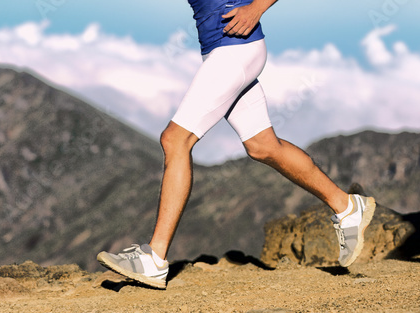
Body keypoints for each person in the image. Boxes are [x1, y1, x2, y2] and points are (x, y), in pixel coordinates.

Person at [97, 0, 375, 289]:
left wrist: (257, 8)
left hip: (235, 50)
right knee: (262, 145)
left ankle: (154, 258)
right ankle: (346, 206)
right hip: (223, 52)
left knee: (175, 139)